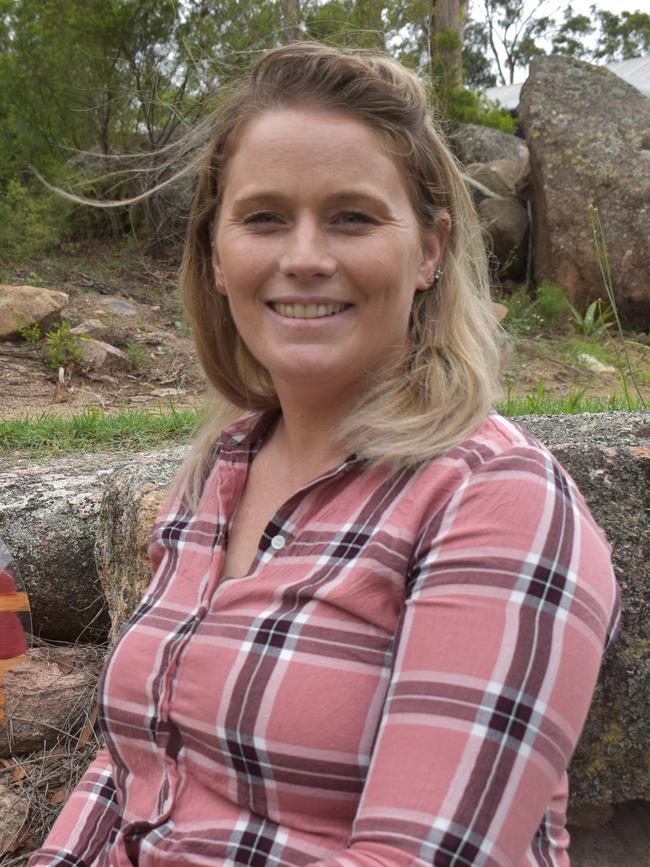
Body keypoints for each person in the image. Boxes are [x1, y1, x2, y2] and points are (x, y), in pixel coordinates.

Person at [29, 42, 620, 867]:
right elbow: (131, 770)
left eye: (352, 216)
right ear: (215, 252)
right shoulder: (216, 474)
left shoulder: (498, 502)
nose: (304, 256)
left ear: (430, 249)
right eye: (265, 217)